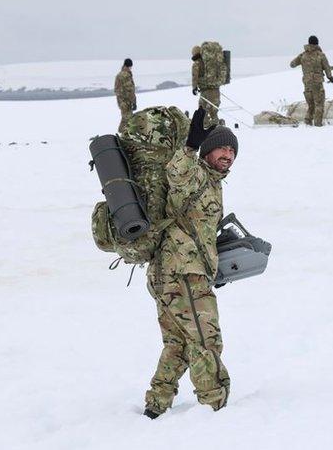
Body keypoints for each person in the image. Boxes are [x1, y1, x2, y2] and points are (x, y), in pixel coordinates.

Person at [143, 108, 236, 419]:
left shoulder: (213, 183)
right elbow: (177, 173)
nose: (228, 154)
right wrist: (190, 146)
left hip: (171, 273)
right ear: (208, 151)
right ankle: (215, 408)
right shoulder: (196, 175)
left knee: (178, 344)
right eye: (222, 148)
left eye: (232, 150)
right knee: (206, 340)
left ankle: (156, 404)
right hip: (183, 273)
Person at [290, 35, 333, 126]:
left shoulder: (303, 55)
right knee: (319, 105)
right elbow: (327, 67)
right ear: (317, 43)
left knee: (311, 105)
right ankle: (318, 125)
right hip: (317, 84)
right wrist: (330, 77)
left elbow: (292, 64)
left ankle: (307, 123)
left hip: (307, 84)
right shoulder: (320, 55)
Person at [195, 42, 227, 127]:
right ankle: (210, 127)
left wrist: (199, 85)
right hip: (212, 89)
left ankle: (211, 127)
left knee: (209, 110)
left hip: (207, 89)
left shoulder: (206, 62)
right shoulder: (218, 61)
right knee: (210, 110)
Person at [114, 58, 136, 132]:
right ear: (129, 66)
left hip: (121, 100)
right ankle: (123, 133)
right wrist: (133, 101)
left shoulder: (119, 74)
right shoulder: (125, 75)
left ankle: (121, 132)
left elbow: (117, 89)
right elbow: (130, 89)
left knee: (125, 117)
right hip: (126, 101)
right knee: (128, 118)